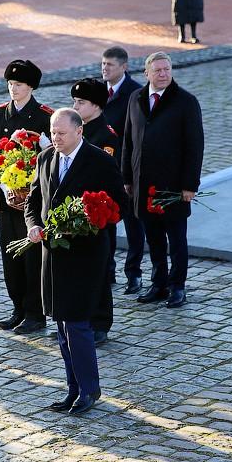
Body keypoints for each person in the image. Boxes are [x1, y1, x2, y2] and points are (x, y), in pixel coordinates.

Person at [25, 108, 122, 415]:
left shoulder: (100, 162)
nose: (56, 138)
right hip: (52, 257)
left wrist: (87, 221)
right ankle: (73, 388)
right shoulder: (45, 159)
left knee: (77, 324)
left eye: (62, 133)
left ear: (79, 131)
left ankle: (89, 389)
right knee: (61, 326)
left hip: (85, 257)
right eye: (53, 132)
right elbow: (33, 201)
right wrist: (32, 226)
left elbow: (118, 205)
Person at [121, 52, 204, 309]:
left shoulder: (186, 102)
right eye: (157, 70)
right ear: (147, 73)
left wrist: (190, 185)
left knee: (176, 239)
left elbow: (195, 146)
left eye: (167, 69)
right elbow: (127, 140)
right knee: (153, 237)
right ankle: (159, 284)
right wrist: (126, 177)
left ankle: (177, 286)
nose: (163, 73)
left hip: (173, 186)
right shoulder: (135, 99)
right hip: (143, 184)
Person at [0, 59, 54, 335]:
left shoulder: (44, 116)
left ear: (31, 87)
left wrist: (31, 189)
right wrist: (4, 187)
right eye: (10, 84)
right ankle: (18, 309)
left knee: (32, 258)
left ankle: (36, 314)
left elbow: (50, 158)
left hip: (33, 200)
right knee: (10, 257)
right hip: (6, 199)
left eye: (19, 85)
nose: (14, 89)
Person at [70, 78, 121, 346]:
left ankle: (100, 322)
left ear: (97, 106)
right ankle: (79, 318)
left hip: (97, 215)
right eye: (74, 101)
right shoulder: (74, 130)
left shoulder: (106, 136)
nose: (75, 106)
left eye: (81, 102)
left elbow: (107, 178)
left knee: (100, 271)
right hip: (74, 213)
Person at [101, 47, 145, 295]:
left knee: (133, 225)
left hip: (126, 170)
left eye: (110, 65)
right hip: (104, 171)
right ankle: (107, 270)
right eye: (103, 64)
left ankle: (134, 274)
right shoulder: (98, 93)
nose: (105, 68)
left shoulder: (134, 93)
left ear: (124, 67)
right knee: (105, 223)